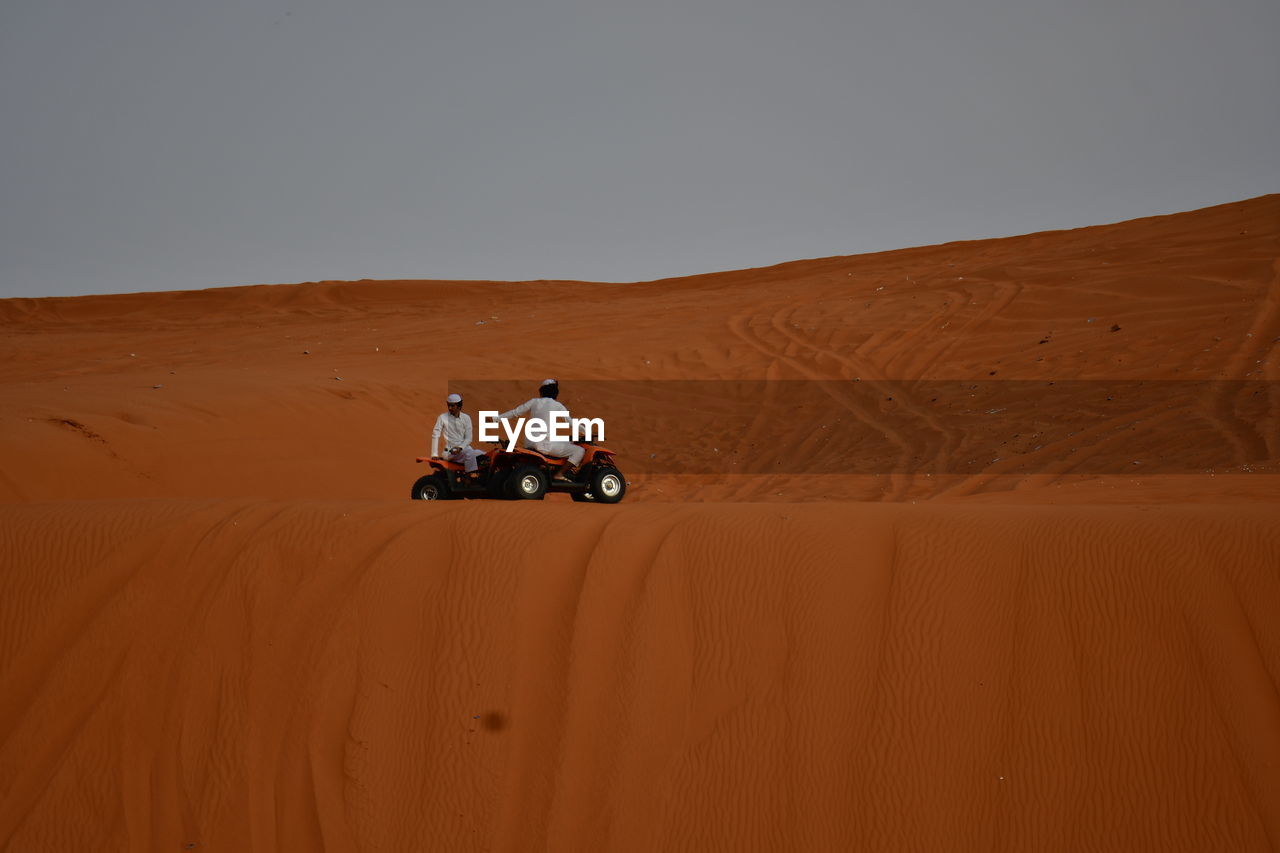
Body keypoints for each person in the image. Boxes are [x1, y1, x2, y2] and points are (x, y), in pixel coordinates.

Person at [500, 379, 585, 476]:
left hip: (529, 443)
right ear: (555, 392)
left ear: (542, 391)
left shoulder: (533, 402)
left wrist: (496, 419)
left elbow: (515, 413)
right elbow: (570, 423)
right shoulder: (557, 405)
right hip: (544, 445)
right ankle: (560, 474)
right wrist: (587, 431)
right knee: (579, 450)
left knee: (568, 442)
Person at [431, 393, 485, 474]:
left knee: (484, 455)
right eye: (448, 405)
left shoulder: (466, 418)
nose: (449, 408)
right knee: (469, 453)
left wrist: (460, 448)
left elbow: (468, 438)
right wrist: (434, 454)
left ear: (459, 406)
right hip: (450, 452)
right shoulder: (442, 418)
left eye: (452, 406)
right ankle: (468, 477)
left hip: (463, 449)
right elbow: (435, 435)